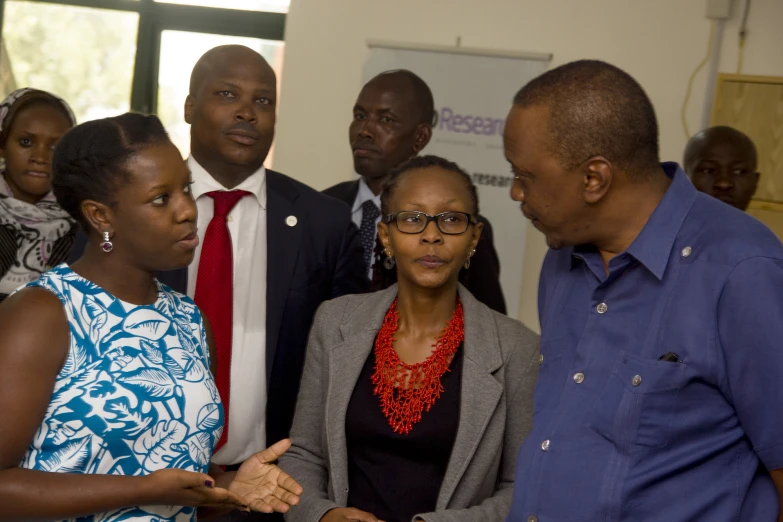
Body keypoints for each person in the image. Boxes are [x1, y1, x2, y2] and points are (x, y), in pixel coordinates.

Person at [69, 46, 369, 493]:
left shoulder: (322, 222)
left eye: (263, 101)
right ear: (190, 107)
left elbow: (348, 360)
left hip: (269, 483)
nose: (247, 112)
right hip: (129, 478)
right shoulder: (124, 212)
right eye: (227, 94)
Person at [504, 59, 783, 521]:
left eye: (525, 176)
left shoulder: (741, 270)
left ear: (594, 179)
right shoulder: (563, 257)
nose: (516, 193)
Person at [0, 113, 303, 521]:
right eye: (161, 198)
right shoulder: (43, 314)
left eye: (186, 189)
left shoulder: (188, 319)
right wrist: (142, 489)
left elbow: (178, 469)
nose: (187, 211)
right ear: (101, 216)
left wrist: (227, 485)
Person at [280, 155, 539, 522]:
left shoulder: (517, 349)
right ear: (386, 235)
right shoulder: (335, 322)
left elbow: (521, 487)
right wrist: (324, 514)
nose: (431, 235)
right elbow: (304, 454)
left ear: (473, 237)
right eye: (412, 219)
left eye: (450, 219)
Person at [323, 70, 507, 314]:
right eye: (360, 115)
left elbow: (488, 325)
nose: (365, 130)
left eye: (386, 120)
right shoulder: (323, 208)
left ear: (420, 138)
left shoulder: (457, 227)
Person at [0, 88, 77, 303]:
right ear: (2, 145)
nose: (40, 157)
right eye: (26, 142)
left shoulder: (84, 224)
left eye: (55, 146)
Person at [683, 125, 760, 211]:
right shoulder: (666, 223)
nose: (724, 184)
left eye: (738, 171)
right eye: (708, 170)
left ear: (755, 183)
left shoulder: (757, 225)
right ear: (684, 180)